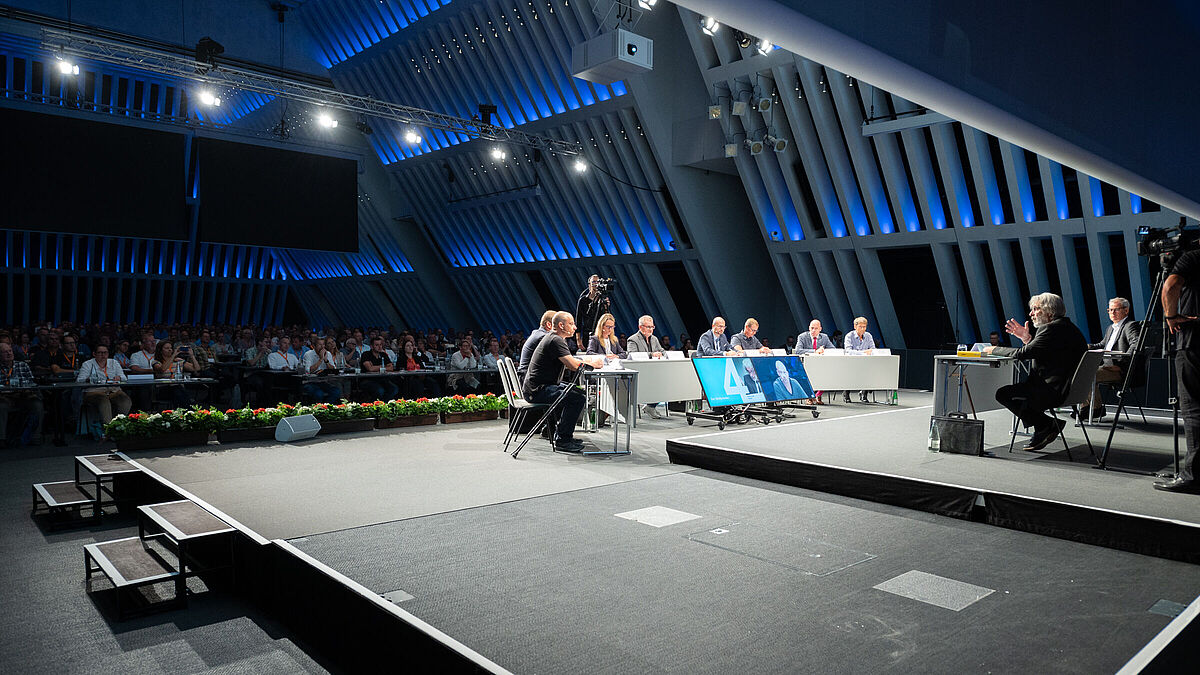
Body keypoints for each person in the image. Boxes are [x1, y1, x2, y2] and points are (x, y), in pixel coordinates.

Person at [983, 293, 1087, 452]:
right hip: (1069, 390)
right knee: (1014, 392)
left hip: (1052, 390)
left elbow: (1022, 354)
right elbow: (1044, 352)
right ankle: (1045, 426)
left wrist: (993, 350)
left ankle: (1045, 425)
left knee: (1003, 394)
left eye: (1036, 309)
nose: (1031, 313)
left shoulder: (1051, 328)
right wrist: (1027, 340)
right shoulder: (1067, 327)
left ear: (1049, 312)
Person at [523, 312, 605, 452]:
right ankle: (563, 439)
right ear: (561, 325)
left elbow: (571, 360)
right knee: (577, 398)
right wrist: (593, 364)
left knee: (578, 391)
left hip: (540, 386)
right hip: (538, 391)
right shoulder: (556, 340)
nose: (575, 327)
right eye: (571, 324)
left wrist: (587, 361)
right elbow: (572, 365)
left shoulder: (554, 338)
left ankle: (560, 433)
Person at [1159, 250, 1200, 492]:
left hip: (1194, 343)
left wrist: (1171, 316)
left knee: (1194, 410)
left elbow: (1171, 285)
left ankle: (1193, 476)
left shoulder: (1193, 257)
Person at [1082, 297, 1139, 420]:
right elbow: (1102, 345)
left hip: (1120, 370)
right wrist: (1084, 346)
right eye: (1110, 310)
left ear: (1126, 310)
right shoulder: (1110, 328)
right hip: (1106, 367)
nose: (1112, 313)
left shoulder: (1130, 326)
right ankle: (1087, 408)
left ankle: (1096, 409)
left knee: (1088, 374)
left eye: (1116, 310)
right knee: (1080, 372)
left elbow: (1136, 345)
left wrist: (1121, 365)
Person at [76, 344, 131, 430]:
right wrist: (89, 379)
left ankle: (119, 425)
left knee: (124, 400)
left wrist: (119, 378)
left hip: (113, 391)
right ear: (94, 354)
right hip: (94, 392)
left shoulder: (114, 363)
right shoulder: (87, 364)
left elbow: (124, 378)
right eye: (100, 353)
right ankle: (108, 429)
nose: (103, 355)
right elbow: (79, 380)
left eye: (105, 353)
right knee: (103, 400)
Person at [586, 314, 627, 428]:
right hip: (599, 372)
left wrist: (616, 356)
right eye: (608, 326)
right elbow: (589, 353)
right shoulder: (594, 339)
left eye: (612, 327)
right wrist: (605, 356)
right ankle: (600, 418)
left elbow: (623, 353)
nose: (610, 329)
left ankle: (607, 415)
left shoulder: (614, 340)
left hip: (612, 371)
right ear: (602, 326)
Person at [0, 342, 42, 446]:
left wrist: (28, 390)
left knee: (37, 404)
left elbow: (32, 383)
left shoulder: (22, 365)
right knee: (1, 406)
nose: (9, 354)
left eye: (10, 351)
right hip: (5, 397)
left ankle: (36, 437)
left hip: (23, 395)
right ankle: (2, 439)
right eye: (5, 352)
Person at [627, 315, 666, 417]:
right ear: (641, 327)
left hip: (654, 371)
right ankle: (650, 406)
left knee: (667, 380)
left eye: (652, 327)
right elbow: (632, 355)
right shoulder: (633, 339)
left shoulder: (654, 339)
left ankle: (650, 406)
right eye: (648, 327)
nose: (650, 329)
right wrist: (651, 354)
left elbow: (661, 350)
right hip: (640, 372)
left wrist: (663, 354)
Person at [843, 317, 877, 402]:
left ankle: (863, 393)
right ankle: (846, 393)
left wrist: (869, 352)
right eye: (860, 327)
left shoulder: (868, 336)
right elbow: (848, 351)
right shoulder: (849, 336)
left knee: (871, 370)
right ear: (855, 326)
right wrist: (864, 352)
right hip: (851, 362)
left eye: (864, 327)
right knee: (851, 371)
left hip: (866, 362)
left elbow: (873, 349)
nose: (862, 329)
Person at [574, 275, 612, 350]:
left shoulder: (602, 300)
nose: (596, 284)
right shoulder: (583, 300)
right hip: (587, 334)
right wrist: (578, 339)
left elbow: (607, 318)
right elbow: (578, 319)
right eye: (594, 281)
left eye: (598, 281)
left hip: (601, 333)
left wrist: (606, 307)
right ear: (589, 284)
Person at [519, 311, 557, 381]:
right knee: (575, 391)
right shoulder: (543, 337)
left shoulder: (537, 334)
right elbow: (559, 359)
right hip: (532, 381)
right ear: (549, 325)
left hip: (528, 377)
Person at [360, 336, 400, 400]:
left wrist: (376, 367)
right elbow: (370, 369)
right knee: (380, 390)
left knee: (394, 389)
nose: (379, 347)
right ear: (371, 346)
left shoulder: (383, 354)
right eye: (377, 345)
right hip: (368, 379)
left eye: (381, 344)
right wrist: (384, 367)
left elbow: (391, 368)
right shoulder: (366, 354)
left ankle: (385, 404)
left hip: (382, 379)